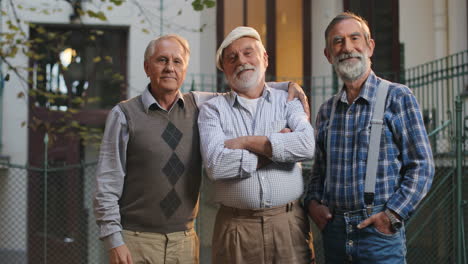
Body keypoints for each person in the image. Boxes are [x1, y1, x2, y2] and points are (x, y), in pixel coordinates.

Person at [93, 34, 310, 264]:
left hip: (184, 240)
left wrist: (287, 86)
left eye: (177, 61)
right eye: (162, 60)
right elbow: (107, 183)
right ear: (147, 67)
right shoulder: (125, 115)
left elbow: (246, 84)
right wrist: (114, 241)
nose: (169, 68)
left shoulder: (198, 104)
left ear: (185, 69)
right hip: (135, 240)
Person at [304, 12, 435, 263]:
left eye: (355, 38)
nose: (347, 47)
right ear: (328, 54)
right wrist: (312, 205)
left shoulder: (397, 97)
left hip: (378, 234)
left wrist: (392, 215)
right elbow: (318, 172)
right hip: (334, 233)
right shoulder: (326, 110)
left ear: (370, 46)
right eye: (338, 41)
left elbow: (422, 166)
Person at [198, 26, 316, 264]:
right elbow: (216, 166)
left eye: (248, 53)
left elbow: (306, 145)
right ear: (225, 69)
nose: (241, 61)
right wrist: (276, 150)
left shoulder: (288, 100)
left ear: (264, 58)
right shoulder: (212, 110)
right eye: (232, 58)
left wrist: (245, 142)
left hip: (289, 224)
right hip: (235, 228)